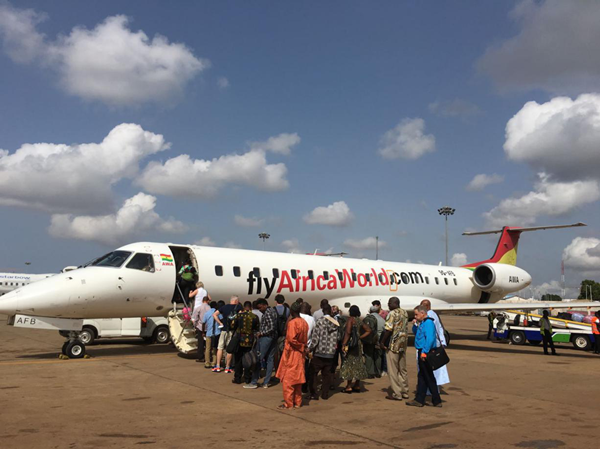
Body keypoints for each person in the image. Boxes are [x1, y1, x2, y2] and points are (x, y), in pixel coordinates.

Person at [406, 305, 442, 408]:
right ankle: (419, 399)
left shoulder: (428, 323)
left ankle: (436, 400)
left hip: (426, 352)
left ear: (422, 313)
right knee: (422, 376)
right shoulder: (422, 323)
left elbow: (430, 339)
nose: (415, 316)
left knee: (428, 376)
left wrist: (424, 352)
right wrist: (415, 325)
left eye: (416, 314)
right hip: (422, 351)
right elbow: (417, 334)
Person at [276, 302, 309, 409]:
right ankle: (297, 402)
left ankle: (289, 403)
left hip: (292, 354)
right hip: (300, 354)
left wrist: (300, 346)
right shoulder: (304, 323)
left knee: (288, 381)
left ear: (292, 311)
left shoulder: (293, 323)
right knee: (298, 380)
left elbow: (291, 339)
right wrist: (303, 347)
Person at [380, 297, 409, 401]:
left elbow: (388, 329)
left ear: (394, 303)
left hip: (393, 345)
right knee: (403, 369)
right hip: (403, 344)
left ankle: (397, 393)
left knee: (393, 370)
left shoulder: (392, 314)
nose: (388, 305)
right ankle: (404, 391)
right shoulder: (405, 313)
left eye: (389, 303)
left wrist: (382, 341)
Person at [308, 304, 339, 400]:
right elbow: (338, 337)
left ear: (323, 311)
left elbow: (315, 338)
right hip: (330, 353)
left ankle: (313, 393)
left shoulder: (320, 322)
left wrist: (310, 348)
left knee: (313, 373)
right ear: (330, 311)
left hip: (319, 352)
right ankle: (325, 394)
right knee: (327, 375)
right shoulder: (336, 323)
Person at [421, 299, 450, 390]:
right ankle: (433, 389)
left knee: (431, 369)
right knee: (435, 369)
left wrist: (425, 349)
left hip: (431, 346)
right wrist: (443, 342)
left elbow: (430, 334)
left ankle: (432, 390)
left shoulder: (429, 316)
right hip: (437, 344)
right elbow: (440, 328)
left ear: (426, 306)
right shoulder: (434, 314)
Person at [340, 305, 370, 393]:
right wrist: (360, 337)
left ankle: (349, 386)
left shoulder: (350, 320)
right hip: (358, 345)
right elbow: (368, 330)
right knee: (358, 363)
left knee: (349, 364)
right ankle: (357, 385)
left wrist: (344, 344)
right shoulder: (359, 320)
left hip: (350, 344)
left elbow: (348, 332)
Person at [231, 301, 260, 387]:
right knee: (248, 359)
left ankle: (238, 378)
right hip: (250, 341)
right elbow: (257, 328)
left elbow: (232, 325)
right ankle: (248, 378)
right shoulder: (255, 317)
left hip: (239, 340)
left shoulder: (239, 316)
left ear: (244, 307)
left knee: (238, 359)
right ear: (250, 307)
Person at [251, 298, 278, 388]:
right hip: (272, 337)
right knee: (270, 359)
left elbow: (271, 327)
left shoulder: (268, 312)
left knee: (258, 358)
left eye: (260, 308)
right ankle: (266, 382)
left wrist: (261, 333)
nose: (260, 310)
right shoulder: (272, 311)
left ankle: (254, 381)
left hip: (266, 338)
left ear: (265, 305)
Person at [212, 296, 242, 373]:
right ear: (236, 301)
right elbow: (240, 316)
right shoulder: (238, 307)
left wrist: (220, 322)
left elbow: (214, 314)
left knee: (220, 347)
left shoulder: (224, 307)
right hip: (232, 331)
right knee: (229, 349)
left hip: (224, 330)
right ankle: (227, 367)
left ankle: (218, 366)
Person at [299, 302, 315, 395]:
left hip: (296, 347)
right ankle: (304, 388)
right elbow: (313, 333)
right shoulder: (312, 319)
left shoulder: (296, 317)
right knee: (305, 368)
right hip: (307, 347)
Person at [363, 306, 382, 378]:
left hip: (369, 340)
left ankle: (370, 373)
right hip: (378, 340)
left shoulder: (367, 318)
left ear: (370, 311)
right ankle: (378, 372)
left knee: (368, 356)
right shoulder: (382, 319)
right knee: (378, 356)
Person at [191, 295, 211, 362]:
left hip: (200, 327)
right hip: (208, 327)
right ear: (208, 301)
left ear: (202, 301)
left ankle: (200, 357)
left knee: (200, 343)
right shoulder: (209, 308)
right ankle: (208, 356)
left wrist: (195, 325)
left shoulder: (199, 308)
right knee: (208, 343)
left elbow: (195, 318)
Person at [201, 301, 220, 369]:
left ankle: (207, 363)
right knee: (215, 348)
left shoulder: (207, 313)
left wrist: (203, 332)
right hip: (216, 333)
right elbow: (221, 320)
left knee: (207, 348)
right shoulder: (218, 313)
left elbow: (203, 323)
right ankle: (214, 362)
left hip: (209, 333)